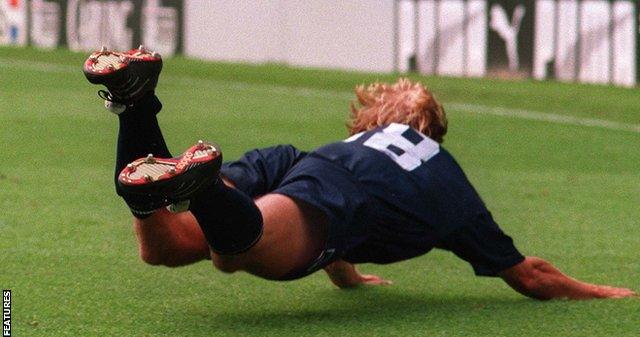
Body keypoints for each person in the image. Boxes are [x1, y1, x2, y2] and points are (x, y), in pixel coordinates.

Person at [83, 46, 636, 300]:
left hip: (299, 168)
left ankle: (136, 107)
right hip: (327, 202)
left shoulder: (352, 144)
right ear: (432, 132)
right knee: (239, 250)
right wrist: (607, 293)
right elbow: (532, 276)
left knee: (165, 245)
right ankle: (202, 186)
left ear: (370, 121)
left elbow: (347, 198)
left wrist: (348, 276)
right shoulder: (444, 179)